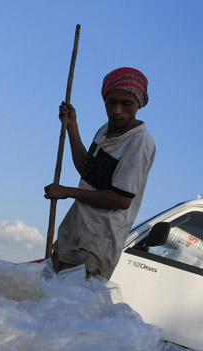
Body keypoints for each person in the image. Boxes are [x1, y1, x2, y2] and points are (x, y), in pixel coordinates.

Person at [44, 67, 156, 279]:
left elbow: (121, 200)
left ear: (139, 104)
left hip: (95, 247)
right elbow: (88, 171)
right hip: (74, 236)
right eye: (111, 102)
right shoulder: (105, 130)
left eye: (126, 104)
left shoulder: (139, 142)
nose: (117, 111)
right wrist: (72, 127)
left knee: (70, 309)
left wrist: (67, 192)